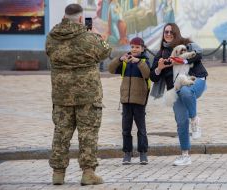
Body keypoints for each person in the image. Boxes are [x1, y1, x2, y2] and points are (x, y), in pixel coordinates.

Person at [45, 4, 111, 186]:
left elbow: (49, 54)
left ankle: (58, 174)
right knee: (88, 133)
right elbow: (106, 51)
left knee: (61, 133)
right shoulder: (89, 38)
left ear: (65, 17)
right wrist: (97, 35)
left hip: (61, 95)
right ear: (81, 19)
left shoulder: (51, 37)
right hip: (87, 95)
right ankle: (88, 173)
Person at [150, 23, 208, 166]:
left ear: (176, 33)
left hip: (196, 80)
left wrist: (183, 60)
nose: (168, 34)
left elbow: (199, 54)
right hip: (175, 89)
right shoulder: (161, 54)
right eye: (166, 32)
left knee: (186, 91)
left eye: (171, 32)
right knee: (181, 121)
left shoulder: (186, 44)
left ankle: (194, 119)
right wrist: (159, 68)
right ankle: (185, 156)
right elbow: (153, 77)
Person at [108, 37, 150, 165]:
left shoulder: (145, 61)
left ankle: (143, 153)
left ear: (142, 49)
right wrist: (120, 59)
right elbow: (110, 69)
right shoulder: (126, 62)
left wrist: (138, 62)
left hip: (139, 101)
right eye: (132, 47)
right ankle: (127, 153)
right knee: (126, 129)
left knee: (141, 129)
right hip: (126, 101)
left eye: (137, 47)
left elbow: (147, 74)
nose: (134, 49)